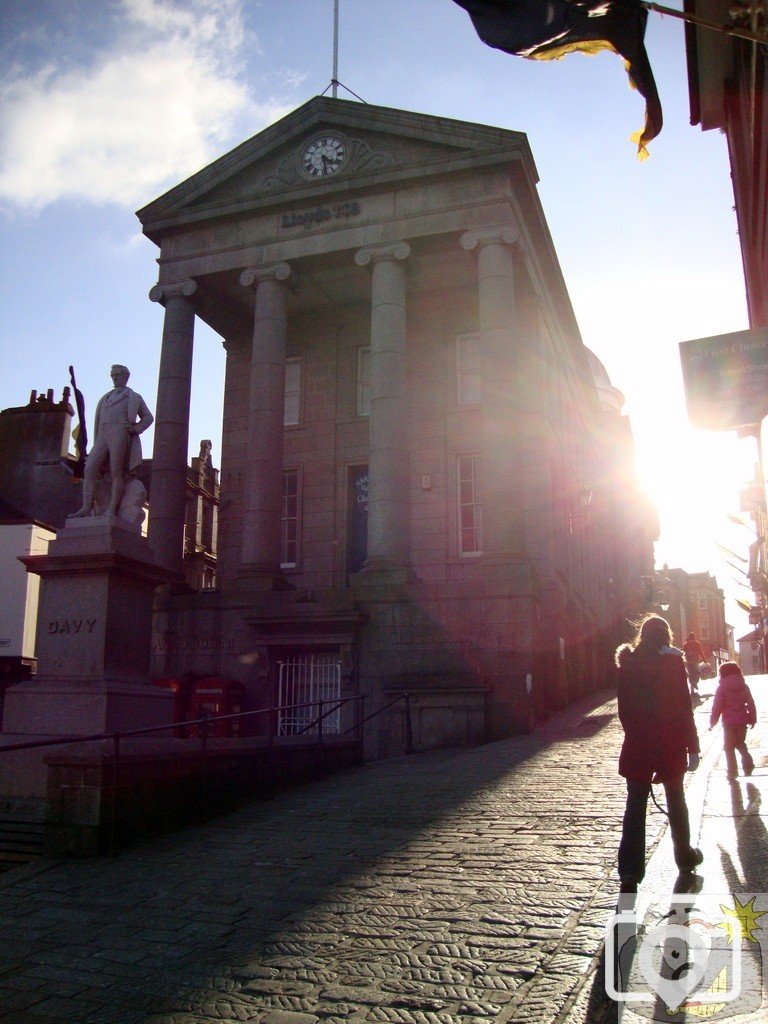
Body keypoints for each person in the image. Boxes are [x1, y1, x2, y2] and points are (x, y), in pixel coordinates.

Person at [615, 615, 702, 892]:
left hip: (638, 744)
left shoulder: (628, 664)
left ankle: (629, 872)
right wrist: (693, 747)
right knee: (676, 799)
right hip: (670, 742)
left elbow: (624, 710)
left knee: (635, 806)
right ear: (667, 636)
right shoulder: (673, 663)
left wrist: (637, 735)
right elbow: (682, 708)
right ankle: (684, 856)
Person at [69, 364, 153, 518]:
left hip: (120, 434)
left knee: (116, 472)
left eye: (117, 374)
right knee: (89, 469)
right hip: (102, 435)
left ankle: (112, 509)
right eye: (112, 375)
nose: (114, 377)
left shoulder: (134, 397)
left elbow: (148, 417)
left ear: (126, 376)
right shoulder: (105, 397)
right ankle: (86, 507)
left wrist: (136, 428)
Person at [709, 661, 756, 781]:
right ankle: (748, 763)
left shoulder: (721, 688)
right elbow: (751, 703)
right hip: (742, 720)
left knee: (729, 747)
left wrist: (713, 721)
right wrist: (752, 718)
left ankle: (732, 771)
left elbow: (717, 706)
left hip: (729, 722)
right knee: (740, 743)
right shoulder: (744, 686)